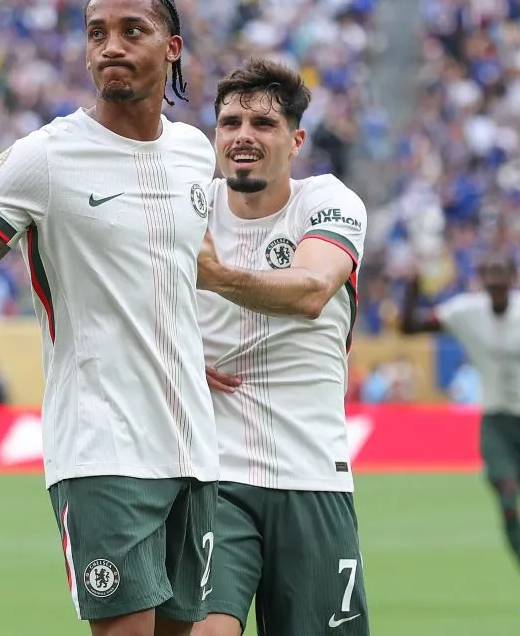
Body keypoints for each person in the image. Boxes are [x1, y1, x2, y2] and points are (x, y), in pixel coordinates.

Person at [0, 0, 219, 636]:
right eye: (97, 33)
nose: (111, 47)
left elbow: (175, 280)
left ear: (173, 47)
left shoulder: (194, 153)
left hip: (193, 448)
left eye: (133, 31)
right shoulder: (44, 158)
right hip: (103, 448)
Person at [193, 58, 370, 636]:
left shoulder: (328, 201)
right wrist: (171, 351)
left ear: (295, 140)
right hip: (212, 476)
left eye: (263, 124)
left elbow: (313, 289)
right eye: (230, 123)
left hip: (312, 474)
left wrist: (214, 276)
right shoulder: (186, 208)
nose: (243, 135)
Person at [399, 255, 520, 618]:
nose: (495, 283)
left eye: (502, 275)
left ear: (513, 277)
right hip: (497, 424)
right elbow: (410, 327)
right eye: (489, 276)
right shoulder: (466, 311)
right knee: (508, 498)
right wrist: (413, 289)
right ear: (481, 279)